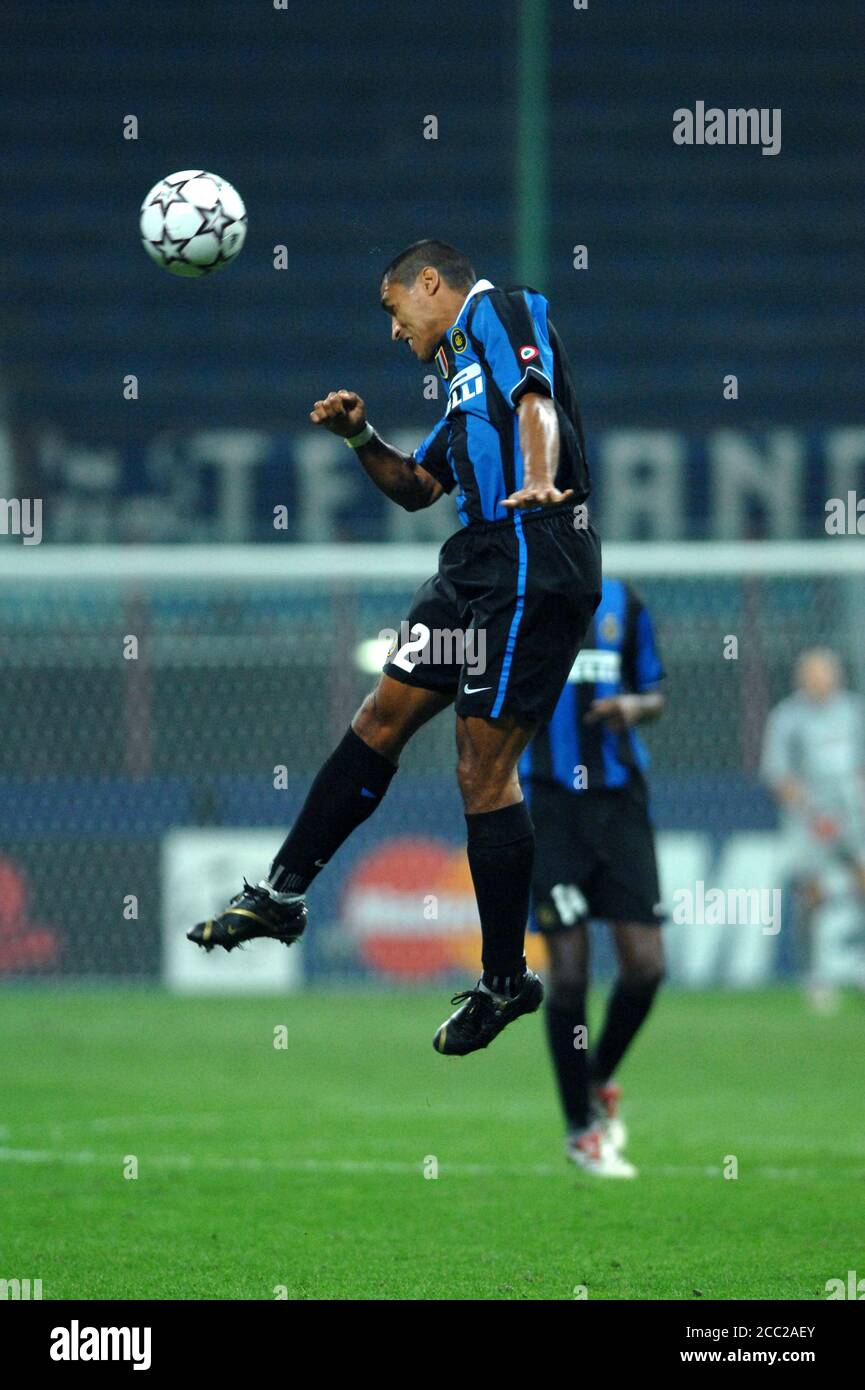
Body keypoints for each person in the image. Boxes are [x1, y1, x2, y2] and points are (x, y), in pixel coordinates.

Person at [188, 239, 602, 1056]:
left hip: (535, 548)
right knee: (382, 714)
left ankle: (503, 980)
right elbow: (419, 488)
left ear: (429, 282)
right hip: (476, 558)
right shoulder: (458, 381)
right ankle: (281, 894)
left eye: (393, 309)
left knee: (480, 765)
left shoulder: (502, 310)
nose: (392, 331)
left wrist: (543, 473)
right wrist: (359, 436)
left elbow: (535, 396)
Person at [522, 577, 665, 1176]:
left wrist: (633, 707)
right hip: (549, 805)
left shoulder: (626, 603)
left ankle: (597, 1075)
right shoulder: (522, 598)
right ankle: (580, 1129)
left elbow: (655, 692)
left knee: (646, 966)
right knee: (571, 973)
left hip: (619, 802)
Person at [761, 647, 865, 1012]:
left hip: (853, 817)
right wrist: (810, 810)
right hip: (809, 822)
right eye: (812, 673)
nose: (819, 680)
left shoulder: (853, 712)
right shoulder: (787, 718)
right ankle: (815, 975)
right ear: (800, 678)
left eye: (825, 673)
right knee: (813, 893)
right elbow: (776, 772)